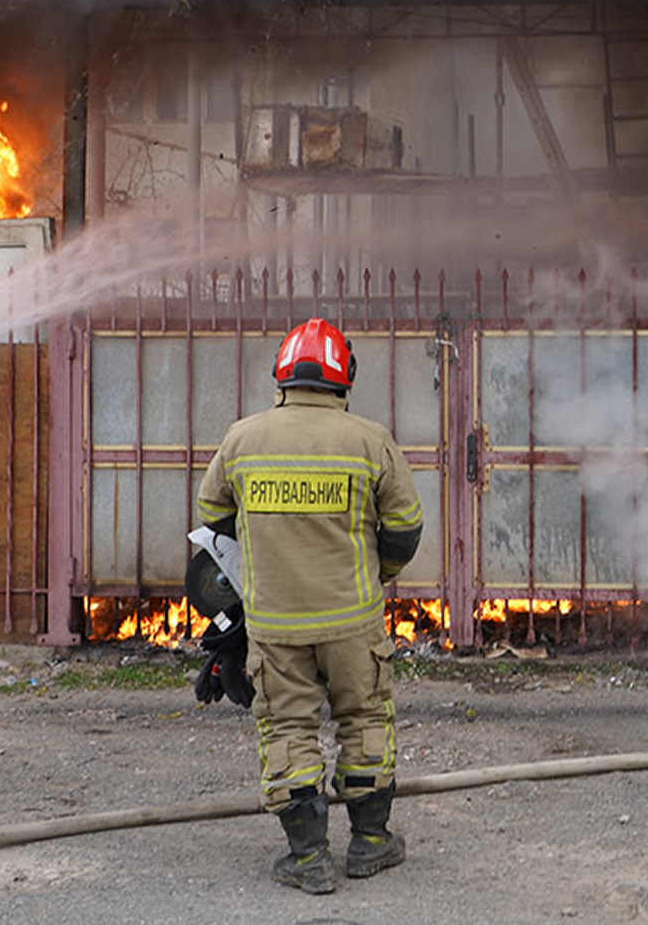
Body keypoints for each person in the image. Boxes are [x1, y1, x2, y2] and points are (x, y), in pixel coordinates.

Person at [196, 317, 424, 894]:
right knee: (365, 718)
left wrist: (264, 564)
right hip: (352, 618)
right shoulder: (370, 441)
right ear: (343, 378)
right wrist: (379, 574)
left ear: (282, 375)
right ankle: (371, 843)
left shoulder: (242, 439)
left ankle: (308, 857)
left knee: (287, 726)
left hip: (275, 624)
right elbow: (404, 529)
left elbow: (214, 519)